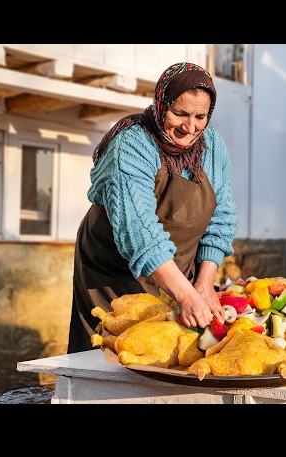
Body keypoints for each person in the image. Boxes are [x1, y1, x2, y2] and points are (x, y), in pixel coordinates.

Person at [68, 62, 238, 353]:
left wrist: (204, 283)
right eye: (180, 113)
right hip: (113, 268)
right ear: (161, 104)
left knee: (173, 350)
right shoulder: (131, 144)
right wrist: (186, 294)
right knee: (111, 350)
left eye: (200, 116)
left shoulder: (213, 146)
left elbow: (222, 217)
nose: (190, 126)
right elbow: (138, 232)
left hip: (179, 267)